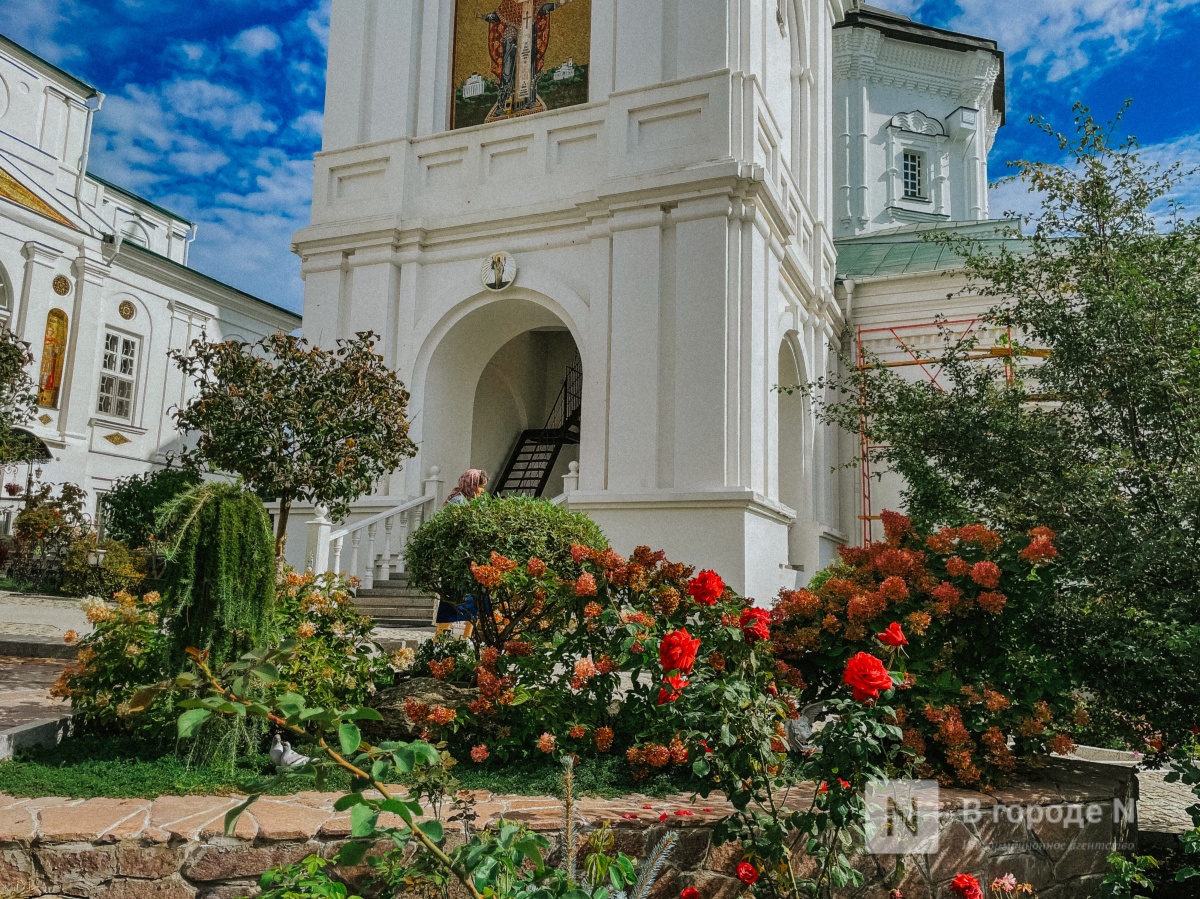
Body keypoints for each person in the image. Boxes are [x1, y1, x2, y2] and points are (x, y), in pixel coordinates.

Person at [438, 469, 490, 637]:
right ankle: (440, 639)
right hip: (457, 562)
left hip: (471, 561)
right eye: (481, 486)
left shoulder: (472, 503)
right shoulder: (458, 502)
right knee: (452, 600)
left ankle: (467, 638)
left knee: (476, 602)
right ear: (472, 485)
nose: (483, 491)